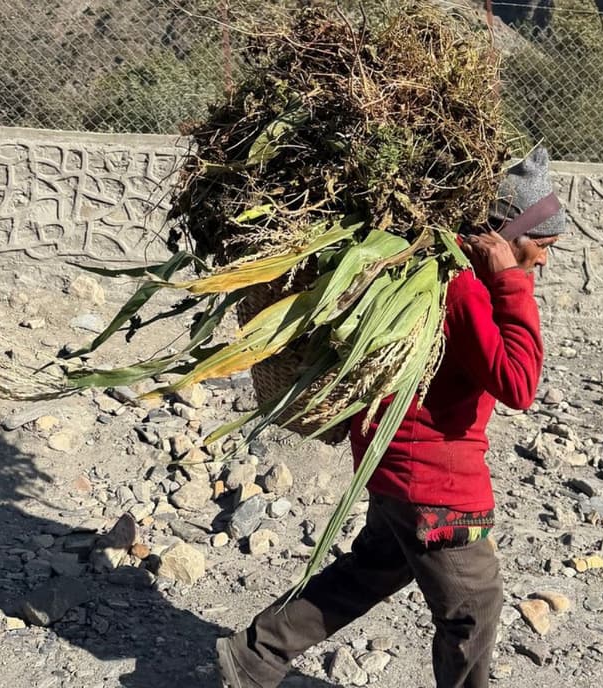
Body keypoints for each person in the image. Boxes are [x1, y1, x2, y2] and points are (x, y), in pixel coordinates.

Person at [218, 146, 567, 688]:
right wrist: (512, 283)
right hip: (432, 480)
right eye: (539, 246)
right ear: (501, 237)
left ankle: (252, 658)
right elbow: (518, 385)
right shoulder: (465, 290)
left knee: (372, 570)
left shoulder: (440, 273)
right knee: (475, 606)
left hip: (394, 460)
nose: (543, 260)